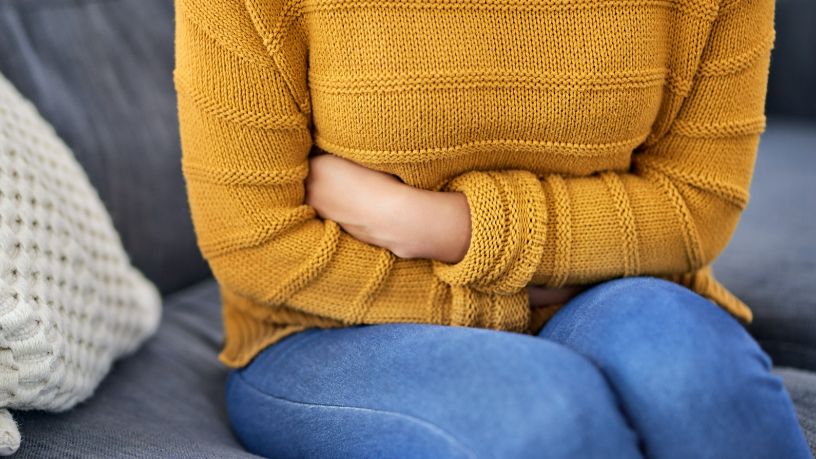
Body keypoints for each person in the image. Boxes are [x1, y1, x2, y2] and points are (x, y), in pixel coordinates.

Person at [173, 0, 813, 457]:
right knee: (544, 415)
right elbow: (255, 243)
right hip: (329, 328)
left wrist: (437, 226)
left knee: (702, 378)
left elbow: (694, 206)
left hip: (604, 294)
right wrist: (508, 297)